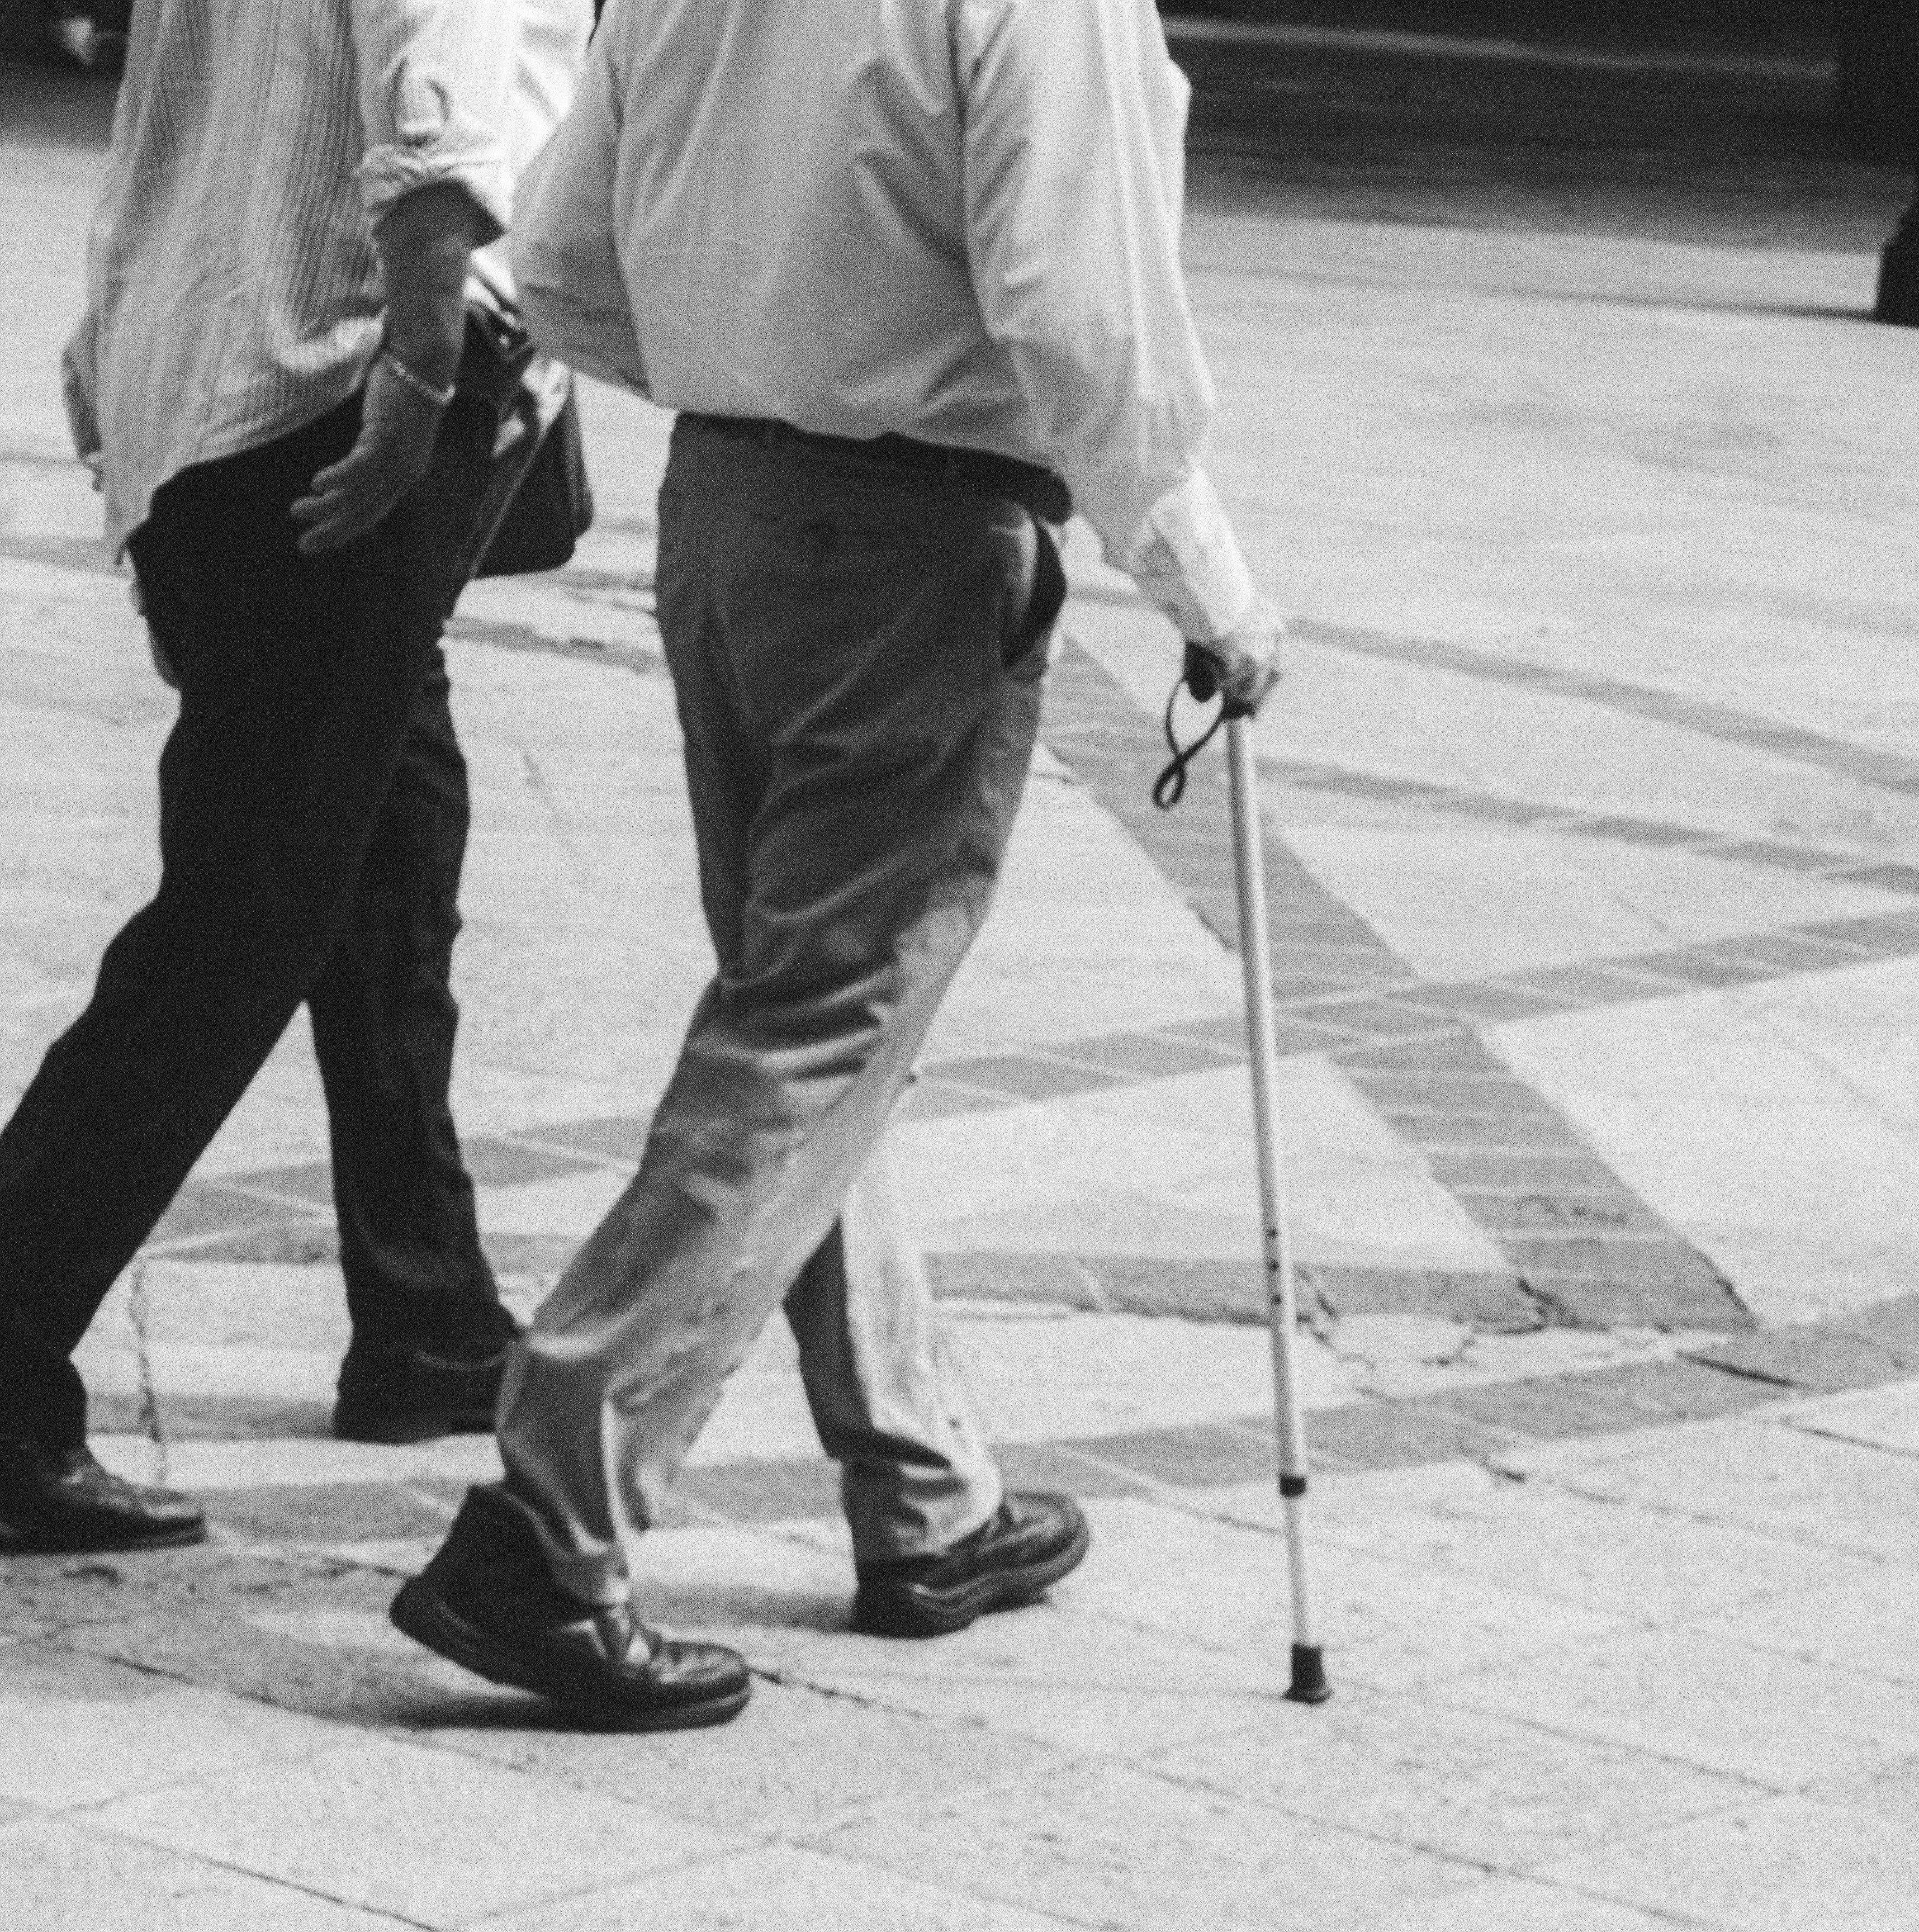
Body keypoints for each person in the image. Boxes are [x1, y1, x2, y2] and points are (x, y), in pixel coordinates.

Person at [391, 0, 1286, 1732]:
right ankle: (550, 1516)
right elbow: (1084, 321)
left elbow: (567, 256)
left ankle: (924, 1485)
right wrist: (1209, 587)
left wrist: (766, 377)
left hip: (728, 516)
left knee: (801, 1022)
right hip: (920, 529)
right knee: (816, 1027)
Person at [0, 0, 593, 1555]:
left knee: (392, 836)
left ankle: (428, 1313)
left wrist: (121, 363)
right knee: (244, 915)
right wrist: (419, 361)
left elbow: (180, 103)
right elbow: (444, 89)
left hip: (215, 374)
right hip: (331, 390)